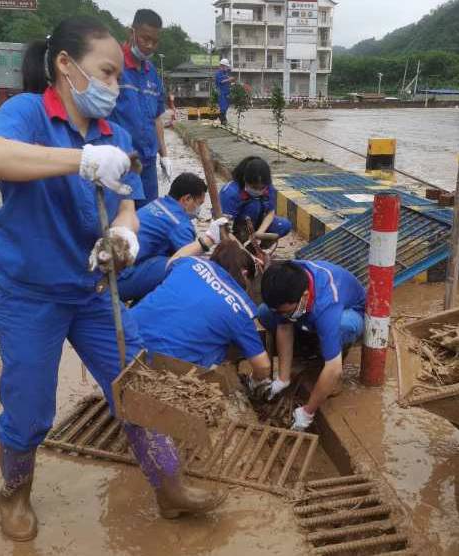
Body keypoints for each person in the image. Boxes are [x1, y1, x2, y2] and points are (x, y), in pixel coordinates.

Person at [0, 17, 223, 542]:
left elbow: (128, 204)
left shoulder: (116, 135)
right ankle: (14, 492)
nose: (113, 86)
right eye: (106, 73)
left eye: (117, 77)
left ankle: (169, 486)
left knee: (137, 384)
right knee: (29, 407)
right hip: (32, 294)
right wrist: (81, 160)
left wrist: (125, 235)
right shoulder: (29, 113)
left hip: (93, 291)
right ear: (66, 65)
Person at [130, 240, 272, 380]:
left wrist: (209, 238)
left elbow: (172, 260)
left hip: (127, 338)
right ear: (244, 273)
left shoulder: (190, 263)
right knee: (219, 346)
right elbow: (263, 367)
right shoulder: (239, 308)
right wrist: (253, 380)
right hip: (163, 368)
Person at [258, 261, 366, 432]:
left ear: (305, 296)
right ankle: (310, 344)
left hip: (349, 314)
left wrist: (307, 412)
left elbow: (334, 369)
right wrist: (282, 379)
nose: (282, 315)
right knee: (265, 312)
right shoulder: (286, 278)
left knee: (343, 326)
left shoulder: (327, 305)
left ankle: (332, 349)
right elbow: (284, 326)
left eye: (286, 311)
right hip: (310, 313)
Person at [110, 9, 171, 207]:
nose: (149, 45)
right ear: (132, 32)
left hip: (148, 162)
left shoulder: (151, 72)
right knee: (121, 215)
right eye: (145, 39)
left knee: (147, 214)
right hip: (121, 160)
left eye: (155, 41)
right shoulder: (113, 65)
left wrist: (164, 155)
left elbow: (156, 118)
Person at [118, 172, 207, 301]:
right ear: (187, 199)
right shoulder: (179, 223)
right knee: (179, 265)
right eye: (199, 203)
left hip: (110, 270)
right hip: (119, 280)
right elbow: (192, 260)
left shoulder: (157, 203)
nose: (199, 209)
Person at [220, 156, 292, 243]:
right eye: (254, 187)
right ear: (245, 179)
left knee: (284, 225)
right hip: (235, 228)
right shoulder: (230, 192)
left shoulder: (268, 187)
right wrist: (238, 247)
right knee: (253, 206)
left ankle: (253, 248)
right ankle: (241, 244)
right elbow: (225, 229)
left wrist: (260, 232)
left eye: (262, 188)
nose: (258, 191)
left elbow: (270, 212)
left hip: (256, 223)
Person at [215, 58, 235, 125]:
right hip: (221, 92)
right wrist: (229, 79)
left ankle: (223, 120)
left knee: (226, 106)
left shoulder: (226, 73)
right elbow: (221, 81)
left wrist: (232, 83)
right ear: (222, 66)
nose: (227, 68)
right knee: (223, 106)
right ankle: (223, 120)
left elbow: (228, 82)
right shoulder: (218, 73)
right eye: (226, 66)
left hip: (227, 92)